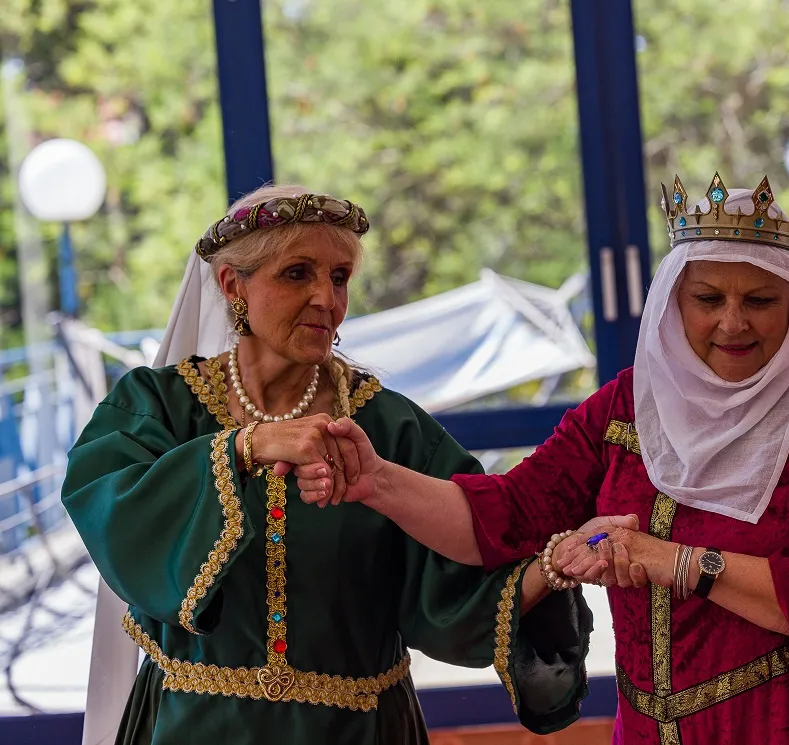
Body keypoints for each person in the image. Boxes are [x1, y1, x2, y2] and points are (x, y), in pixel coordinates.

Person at [308, 174, 789, 744]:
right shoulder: (628, 405)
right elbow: (504, 516)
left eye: (761, 300)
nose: (733, 323)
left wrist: (671, 559)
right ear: (673, 299)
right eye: (709, 298)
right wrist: (377, 481)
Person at [61, 183, 638, 745]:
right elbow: (115, 510)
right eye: (297, 274)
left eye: (339, 277)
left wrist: (554, 565)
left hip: (358, 729)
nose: (326, 298)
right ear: (232, 284)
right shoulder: (157, 407)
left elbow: (464, 577)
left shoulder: (388, 428)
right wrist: (248, 446)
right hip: (193, 726)